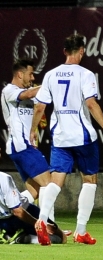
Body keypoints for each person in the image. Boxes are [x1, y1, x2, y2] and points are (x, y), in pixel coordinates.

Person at [30, 33, 103, 246]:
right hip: (83, 137)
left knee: (55, 181)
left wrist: (33, 131)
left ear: (64, 51)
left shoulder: (50, 75)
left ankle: (41, 220)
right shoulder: (86, 75)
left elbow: (40, 107)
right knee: (89, 181)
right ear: (82, 51)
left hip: (60, 137)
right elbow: (91, 104)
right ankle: (80, 231)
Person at [1, 59, 55, 221]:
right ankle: (48, 226)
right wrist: (51, 82)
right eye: (30, 74)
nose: (32, 78)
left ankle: (7, 215)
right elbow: (28, 94)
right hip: (22, 146)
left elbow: (39, 104)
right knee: (49, 185)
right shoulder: (9, 90)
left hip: (23, 148)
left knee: (35, 191)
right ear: (19, 74)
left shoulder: (31, 92)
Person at [0, 148, 66, 245]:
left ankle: (9, 235)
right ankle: (26, 238)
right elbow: (17, 212)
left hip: (2, 223)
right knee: (60, 237)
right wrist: (40, 224)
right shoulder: (3, 178)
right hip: (21, 216)